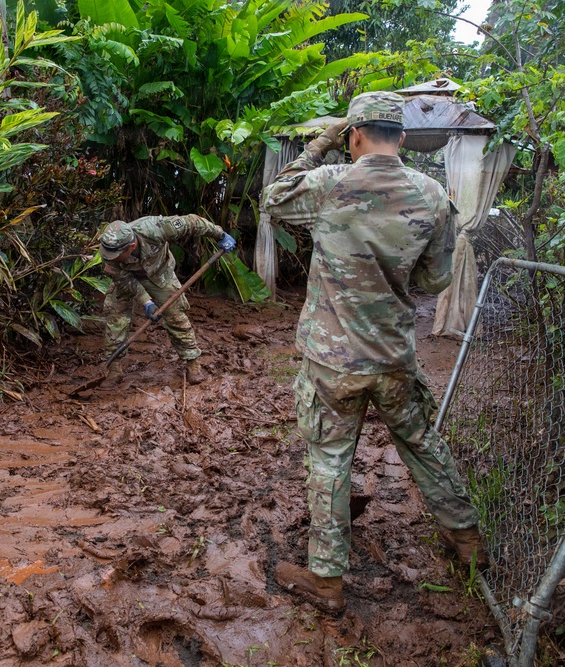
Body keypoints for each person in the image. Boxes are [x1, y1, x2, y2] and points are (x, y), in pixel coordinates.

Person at [261, 92, 486, 612]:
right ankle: (467, 541)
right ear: (401, 137)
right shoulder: (432, 194)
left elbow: (274, 198)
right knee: (422, 444)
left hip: (332, 361)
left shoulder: (329, 181)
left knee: (329, 459)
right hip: (393, 356)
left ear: (354, 136)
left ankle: (326, 582)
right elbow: (435, 280)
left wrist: (318, 144)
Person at [98, 215, 236, 385]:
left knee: (175, 315)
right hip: (127, 280)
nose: (111, 257)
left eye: (117, 254)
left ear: (131, 246)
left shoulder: (154, 228)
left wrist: (220, 235)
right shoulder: (108, 253)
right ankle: (114, 369)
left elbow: (192, 222)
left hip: (160, 274)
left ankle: (192, 363)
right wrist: (147, 302)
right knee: (116, 317)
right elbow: (124, 280)